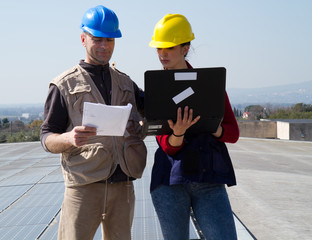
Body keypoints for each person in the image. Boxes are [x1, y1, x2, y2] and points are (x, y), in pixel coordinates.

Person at [40, 5, 146, 240]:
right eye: (97, 39)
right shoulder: (63, 85)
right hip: (84, 186)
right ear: (83, 38)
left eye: (109, 40)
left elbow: (151, 113)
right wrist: (69, 138)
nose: (104, 46)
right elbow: (46, 137)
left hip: (123, 185)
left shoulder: (126, 83)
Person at [148, 14, 240, 240]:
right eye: (159, 48)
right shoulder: (155, 89)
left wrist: (212, 127)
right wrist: (177, 133)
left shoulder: (211, 85)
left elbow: (233, 133)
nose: (162, 54)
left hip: (209, 179)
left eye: (169, 47)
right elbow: (166, 146)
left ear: (185, 48)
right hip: (170, 182)